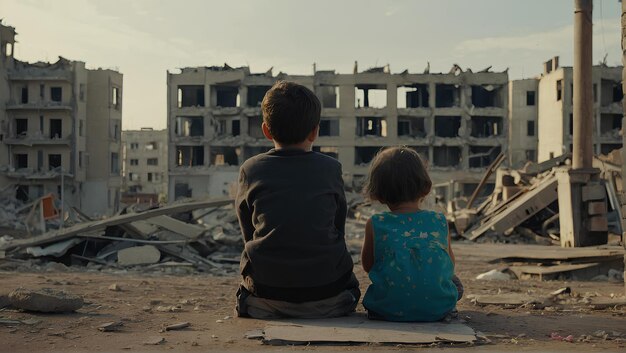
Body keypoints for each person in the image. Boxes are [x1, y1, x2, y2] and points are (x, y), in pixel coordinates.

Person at [235, 81, 360, 319]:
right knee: (350, 286)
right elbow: (337, 227)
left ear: (266, 130)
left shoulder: (250, 169)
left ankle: (265, 304)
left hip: (267, 291)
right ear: (315, 131)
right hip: (329, 293)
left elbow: (248, 233)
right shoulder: (331, 168)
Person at [360, 147, 463, 322]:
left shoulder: (376, 223)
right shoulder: (438, 220)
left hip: (387, 309)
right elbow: (449, 263)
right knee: (456, 284)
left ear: (378, 194)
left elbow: (369, 265)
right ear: (425, 188)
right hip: (437, 308)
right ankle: (444, 308)